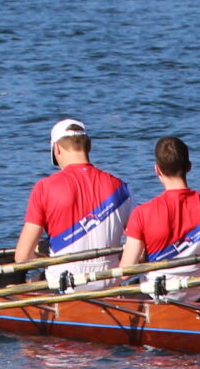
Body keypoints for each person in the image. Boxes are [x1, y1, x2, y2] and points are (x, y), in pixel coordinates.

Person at [12, 119, 131, 284]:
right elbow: (138, 250)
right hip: (109, 282)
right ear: (89, 146)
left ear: (56, 149)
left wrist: (47, 258)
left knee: (14, 284)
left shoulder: (44, 188)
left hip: (65, 285)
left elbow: (22, 257)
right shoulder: (122, 188)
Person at [120, 136, 200, 273]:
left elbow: (125, 272)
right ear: (189, 167)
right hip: (199, 285)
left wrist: (143, 258)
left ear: (157, 170)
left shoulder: (141, 214)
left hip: (155, 286)